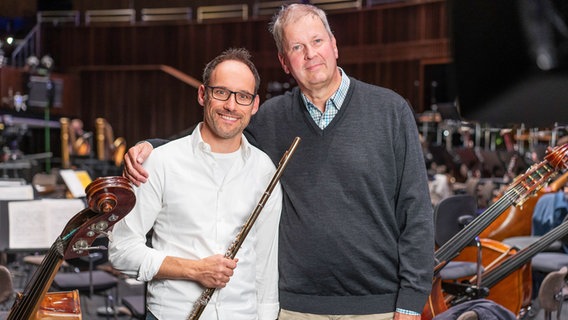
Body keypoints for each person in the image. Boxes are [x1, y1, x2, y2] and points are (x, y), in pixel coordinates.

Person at [123, 4, 434, 319]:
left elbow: (417, 213)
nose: (310, 54)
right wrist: (154, 147)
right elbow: (219, 133)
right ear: (285, 62)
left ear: (334, 45)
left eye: (317, 41)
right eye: (297, 47)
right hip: (293, 308)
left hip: (377, 306)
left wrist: (410, 302)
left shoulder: (391, 111)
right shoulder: (271, 118)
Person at [109, 48, 282, 320]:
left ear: (255, 104)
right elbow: (122, 251)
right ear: (203, 94)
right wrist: (193, 270)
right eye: (221, 92)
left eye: (243, 96)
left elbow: (266, 264)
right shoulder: (159, 163)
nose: (231, 105)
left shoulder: (264, 170)